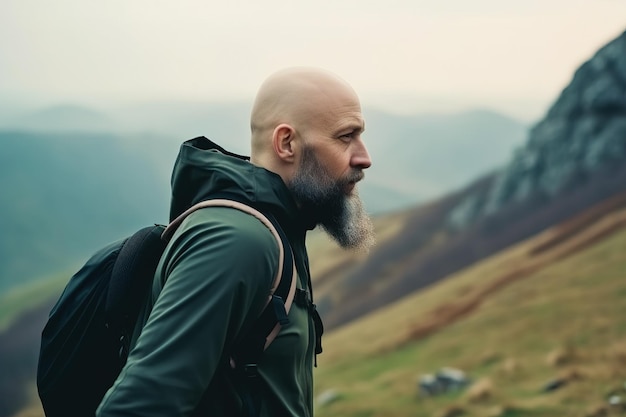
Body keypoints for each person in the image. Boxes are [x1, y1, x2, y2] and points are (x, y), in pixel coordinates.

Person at [96, 67, 374, 417]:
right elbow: (138, 407)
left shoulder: (280, 227)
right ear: (286, 143)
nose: (364, 157)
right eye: (345, 137)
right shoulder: (239, 243)